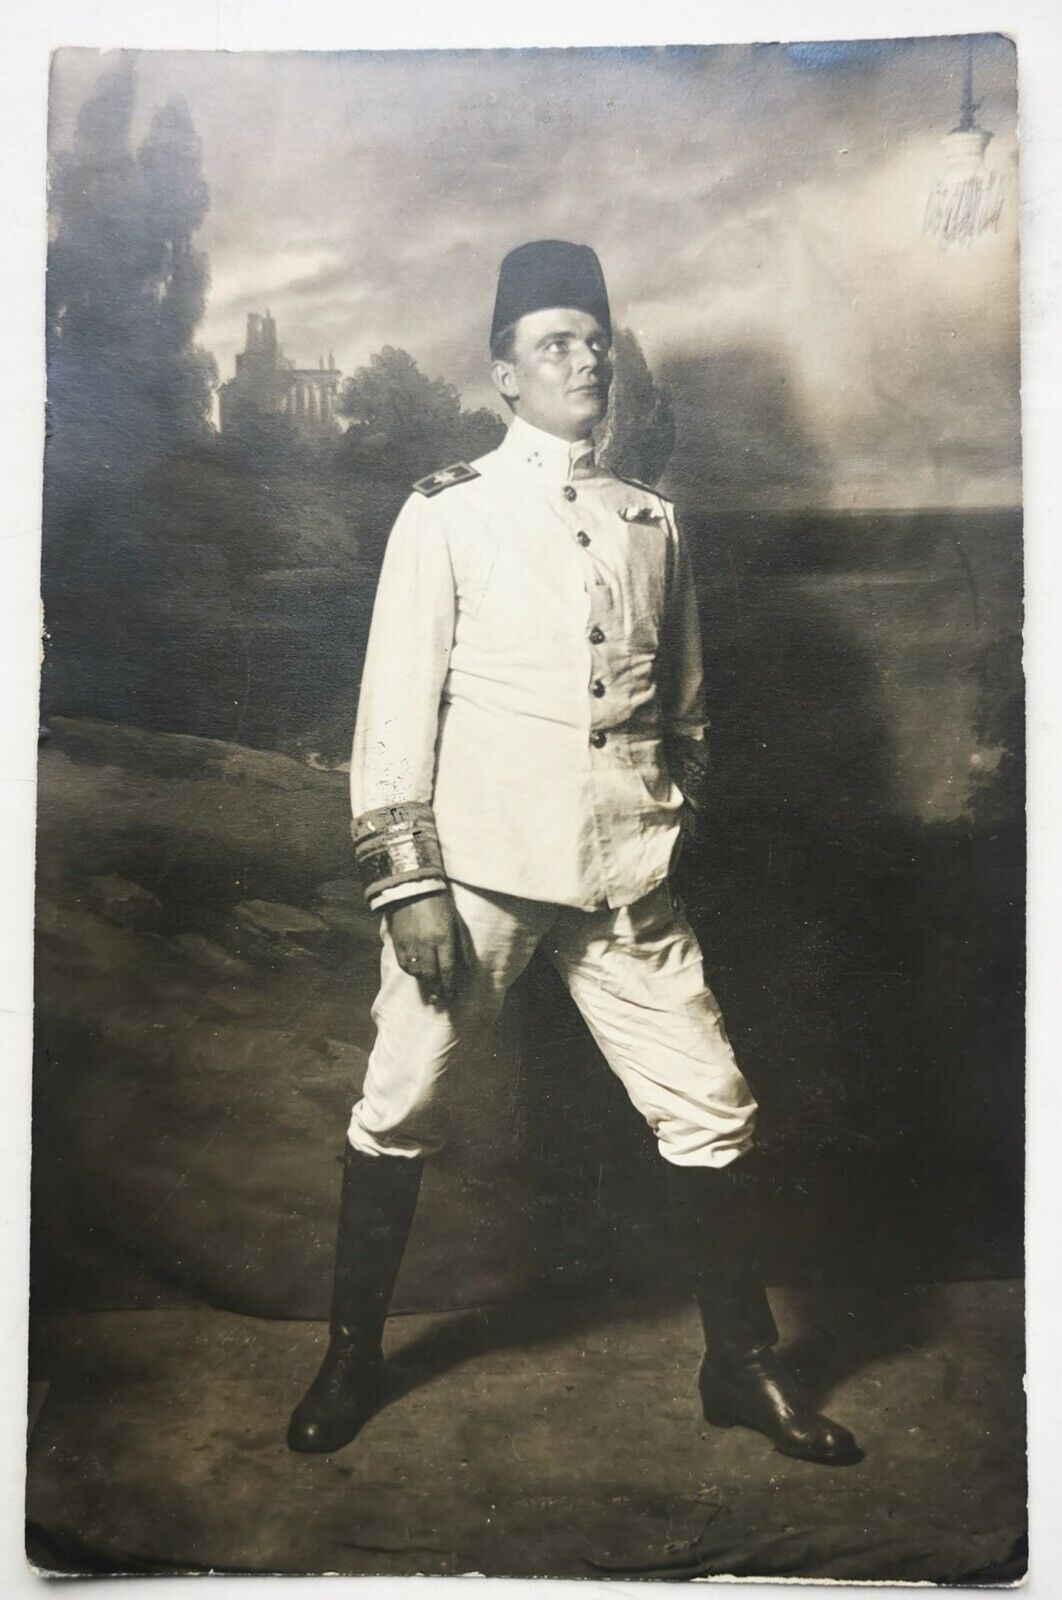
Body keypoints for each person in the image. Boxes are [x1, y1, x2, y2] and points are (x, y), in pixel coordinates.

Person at [287, 239, 861, 1467]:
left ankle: (738, 1365)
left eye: (595, 343)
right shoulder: (448, 511)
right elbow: (394, 711)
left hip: (627, 881)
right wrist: (411, 882)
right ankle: (350, 1355)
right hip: (481, 876)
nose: (585, 360)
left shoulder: (651, 520)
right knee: (399, 1105)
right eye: (556, 344)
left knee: (710, 1107)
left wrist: (660, 817)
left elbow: (686, 708)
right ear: (505, 375)